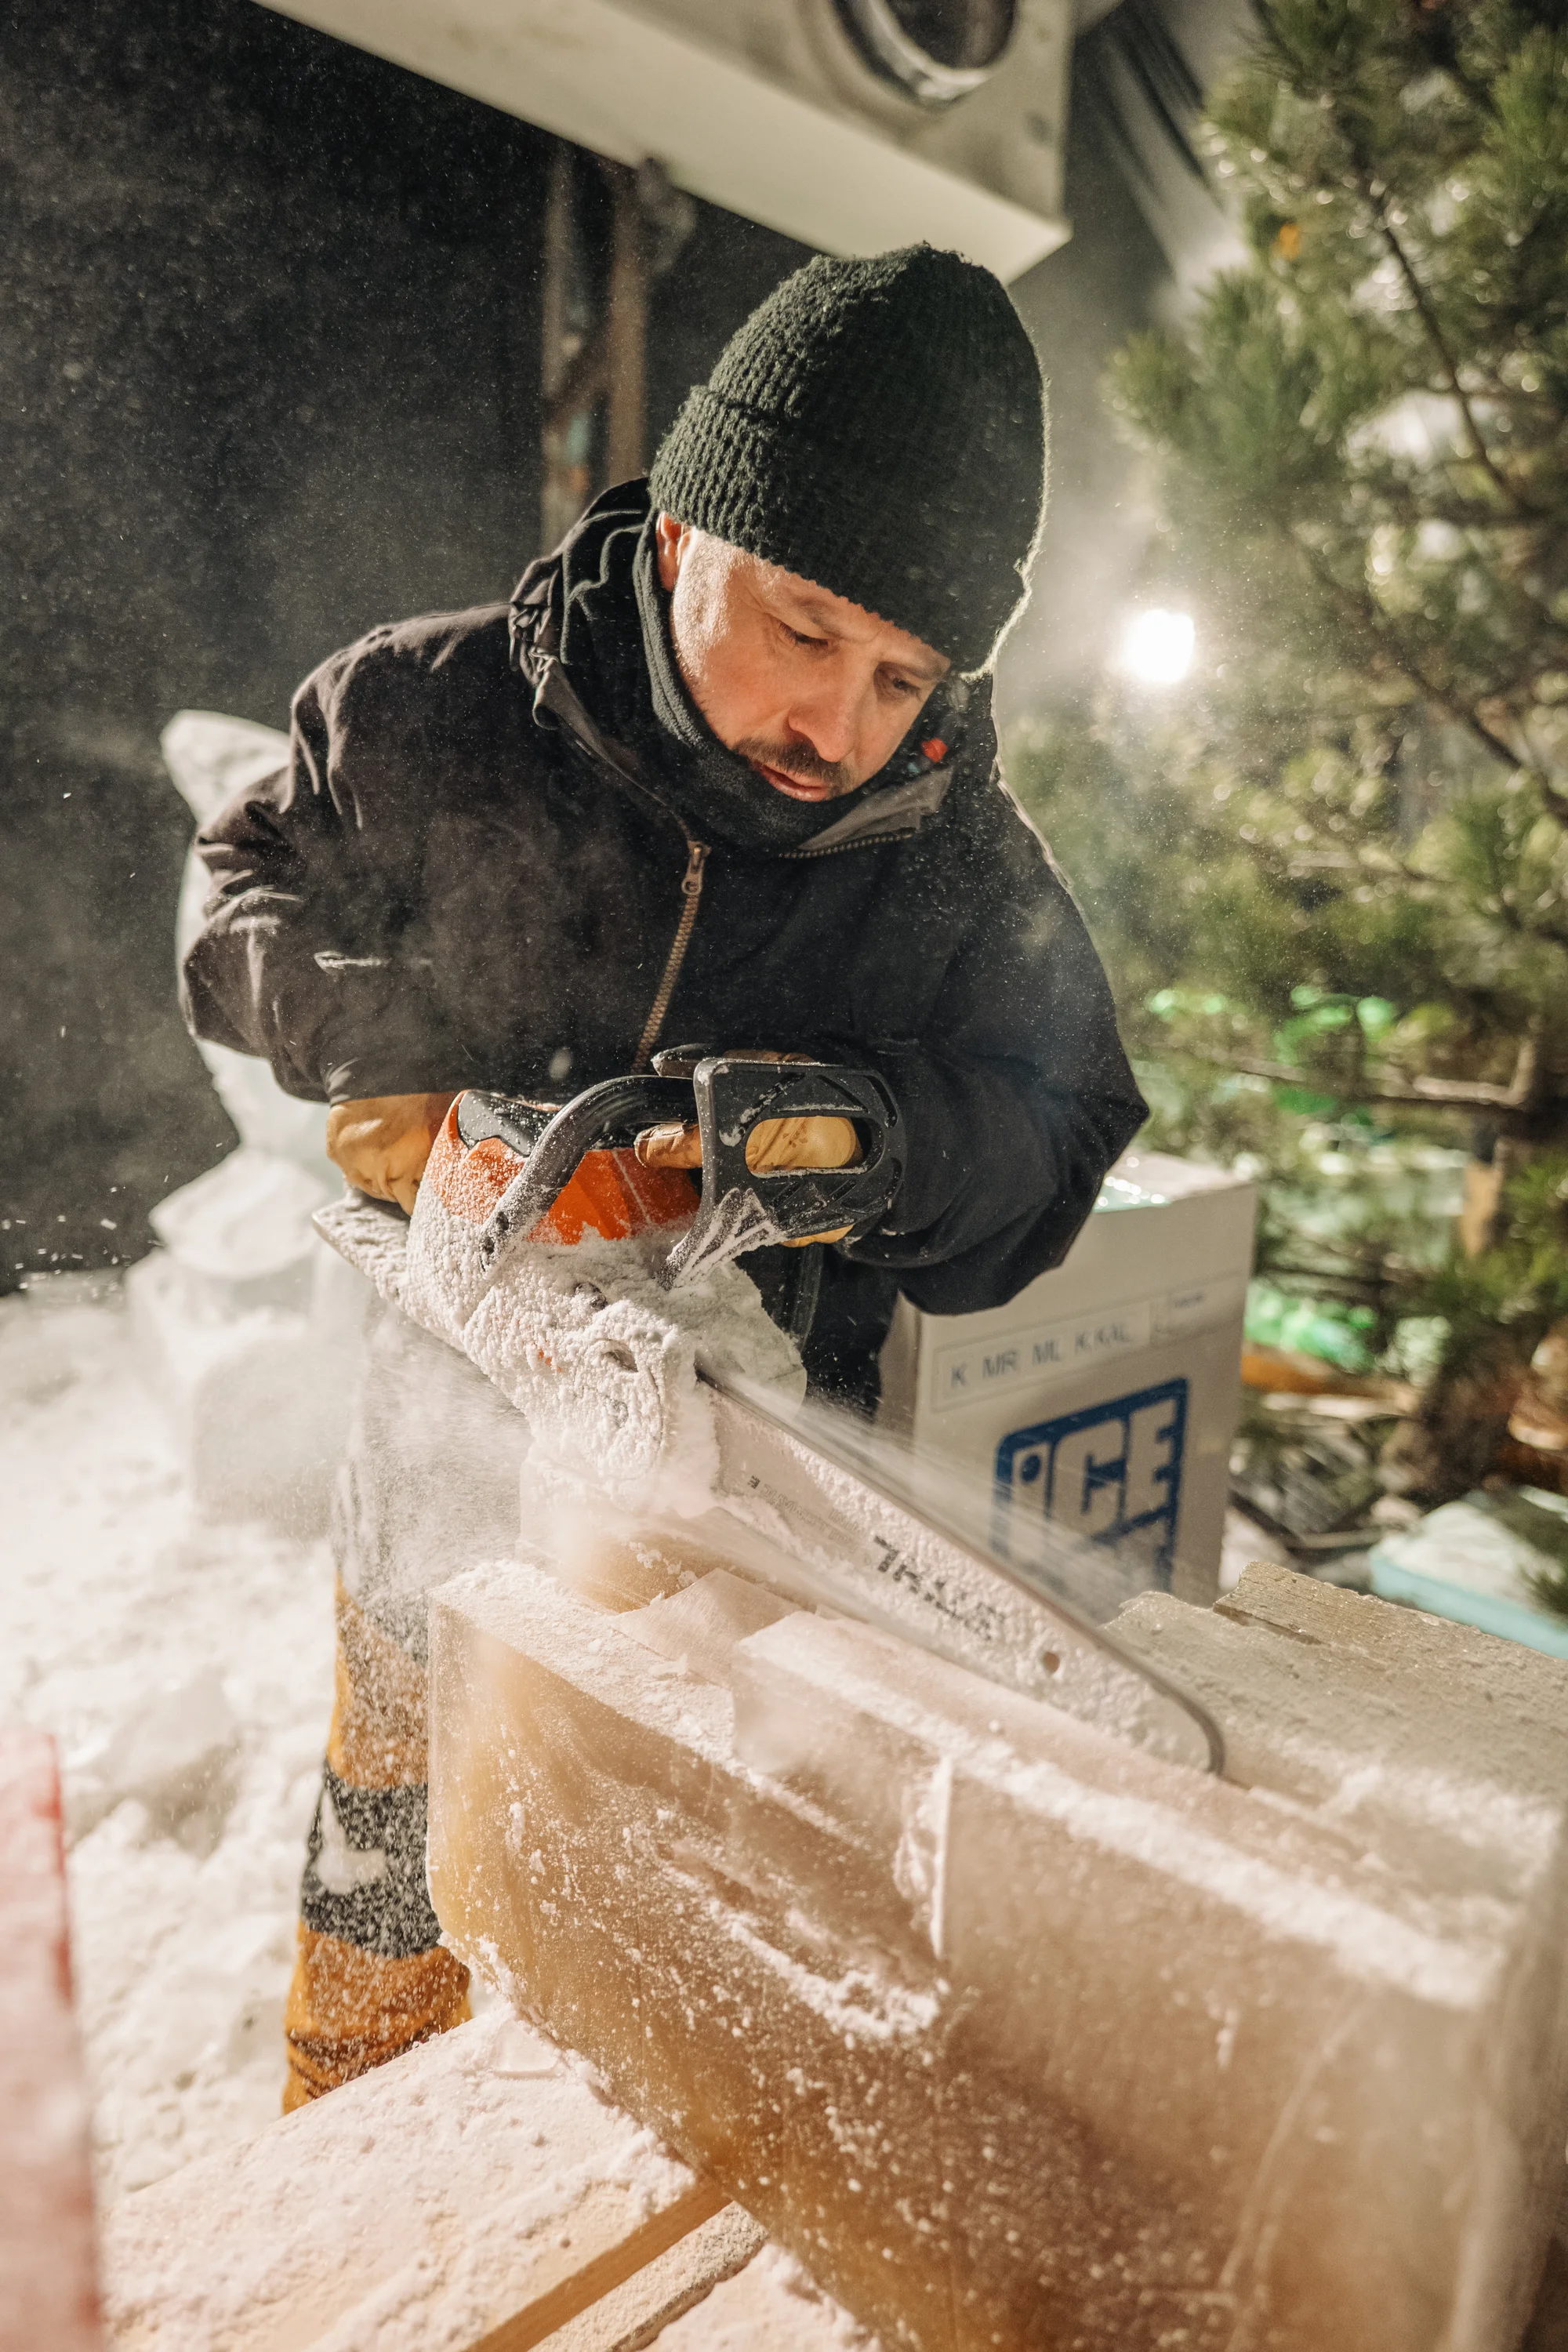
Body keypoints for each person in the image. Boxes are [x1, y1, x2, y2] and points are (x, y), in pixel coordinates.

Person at [180, 244, 1146, 2111]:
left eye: (901, 677)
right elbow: (240, 905)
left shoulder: (956, 861)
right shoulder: (424, 710)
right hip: (438, 1484)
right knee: (392, 1903)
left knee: (672, 2002)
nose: (841, 731)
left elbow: (1057, 1137)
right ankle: (354, 2171)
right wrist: (377, 1039)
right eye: (804, 630)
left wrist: (831, 1136)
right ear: (694, 526)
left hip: (754, 1551)